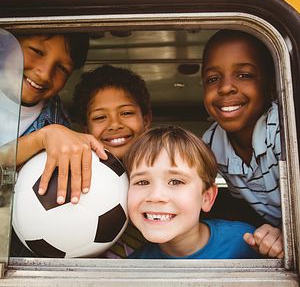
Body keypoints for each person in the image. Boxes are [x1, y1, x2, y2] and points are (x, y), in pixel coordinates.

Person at [10, 33, 107, 257]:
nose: (44, 74)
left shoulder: (59, 122)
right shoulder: (53, 132)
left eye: (62, 68)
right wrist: (40, 139)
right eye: (36, 51)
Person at [201, 29, 283, 258]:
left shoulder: (283, 128)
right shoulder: (210, 143)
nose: (226, 87)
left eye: (244, 75)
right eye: (213, 79)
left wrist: (290, 233)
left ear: (270, 85)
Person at [122, 126, 260, 259]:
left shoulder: (247, 241)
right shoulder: (133, 266)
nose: (155, 196)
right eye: (142, 182)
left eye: (176, 181)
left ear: (206, 198)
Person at [73, 64, 152, 258]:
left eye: (126, 113)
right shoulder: (77, 177)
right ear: (85, 129)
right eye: (100, 117)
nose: (115, 125)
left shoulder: (163, 170)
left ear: (147, 120)